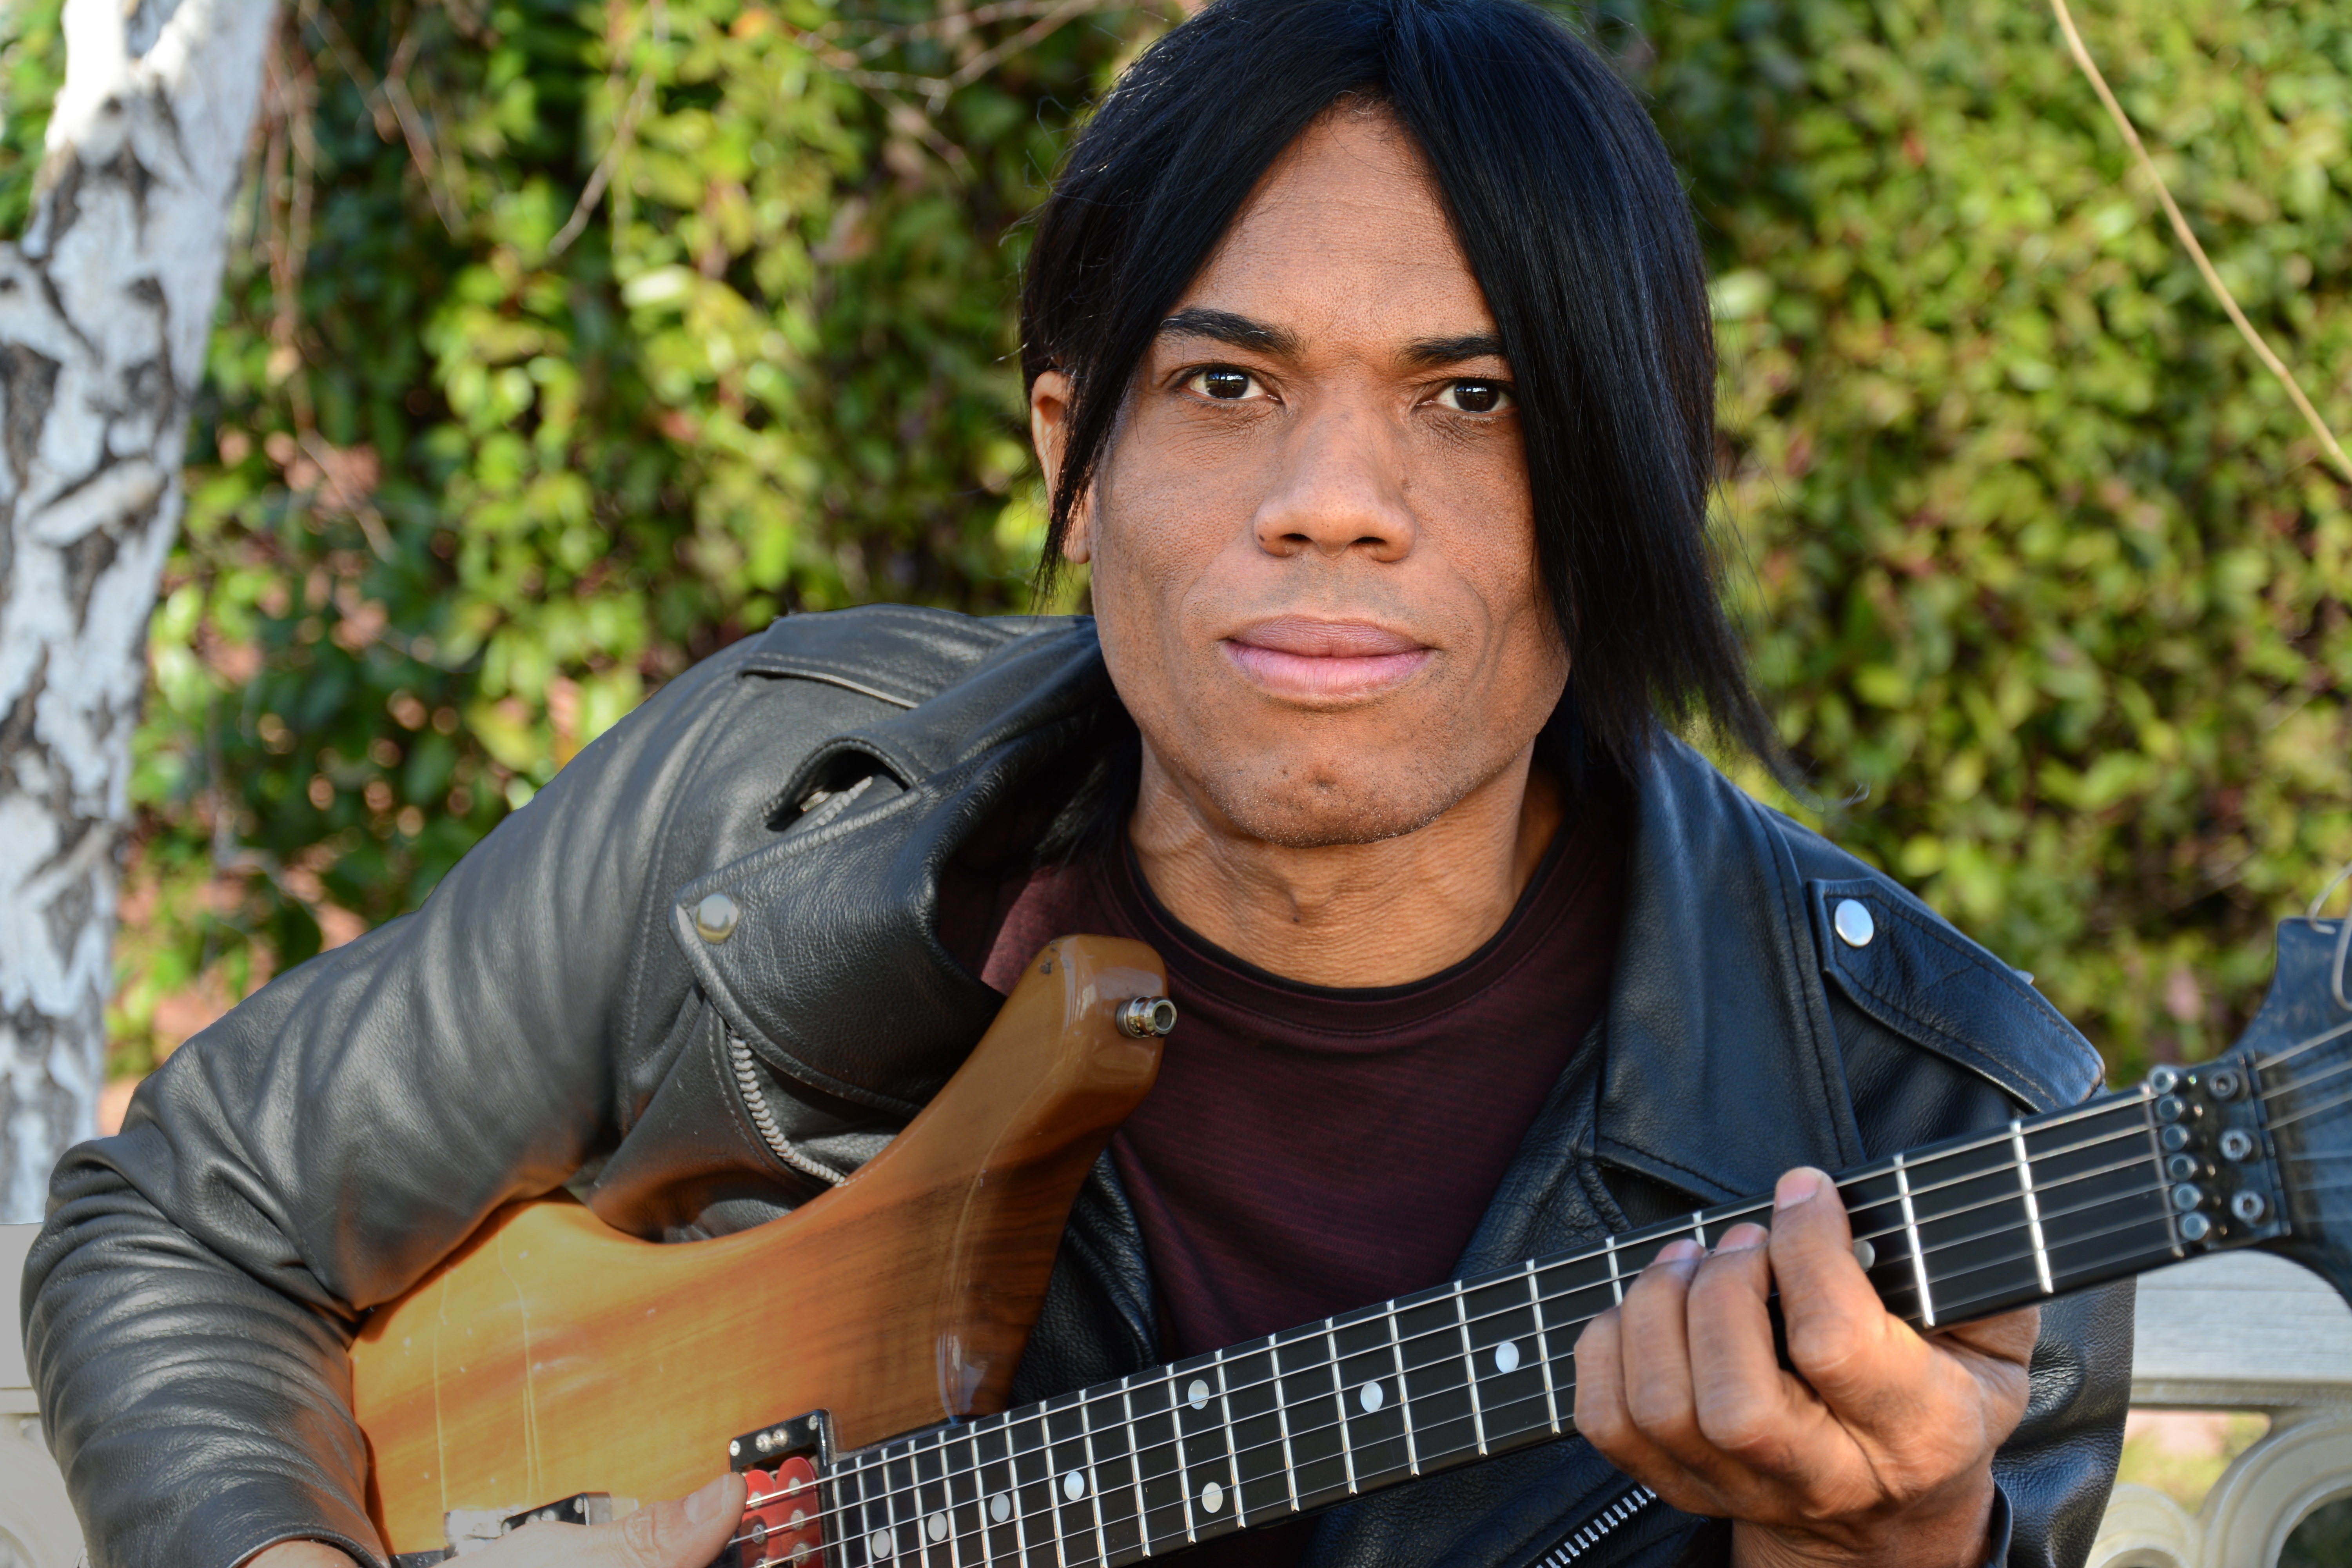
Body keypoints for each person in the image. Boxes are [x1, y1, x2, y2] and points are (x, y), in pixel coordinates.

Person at [24, 1, 2131, 1565]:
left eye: (1471, 400)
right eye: (1229, 384)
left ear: (1635, 489)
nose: (1333, 506)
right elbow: (184, 1228)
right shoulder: (779, 813)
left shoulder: (1946, 1136)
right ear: (1071, 452)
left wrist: (1875, 1551)